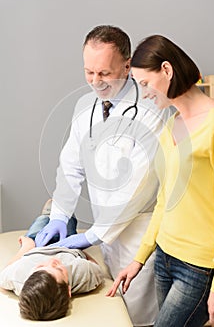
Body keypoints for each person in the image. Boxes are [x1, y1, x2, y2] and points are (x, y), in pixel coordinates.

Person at [35, 25, 171, 326]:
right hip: (105, 231)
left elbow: (139, 185)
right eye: (89, 72)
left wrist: (94, 234)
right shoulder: (86, 107)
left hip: (138, 232)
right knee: (109, 311)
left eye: (104, 74)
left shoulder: (151, 108)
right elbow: (70, 165)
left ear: (127, 65)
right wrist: (59, 215)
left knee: (137, 316)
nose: (95, 82)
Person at [107, 34, 214, 327]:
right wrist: (140, 259)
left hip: (199, 268)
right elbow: (165, 200)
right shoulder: (170, 125)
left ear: (166, 70)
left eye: (146, 84)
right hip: (164, 257)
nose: (145, 93)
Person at [0, 207, 104, 321]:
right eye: (59, 269)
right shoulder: (81, 275)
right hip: (67, 246)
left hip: (37, 245)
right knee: (67, 217)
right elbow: (96, 267)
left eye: (41, 266)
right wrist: (80, 250)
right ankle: (58, 209)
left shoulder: (18, 278)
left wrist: (26, 247)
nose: (52, 261)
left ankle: (47, 214)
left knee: (40, 224)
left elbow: (4, 273)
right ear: (69, 291)